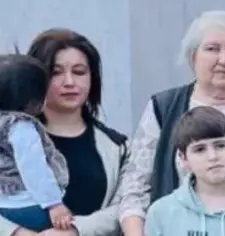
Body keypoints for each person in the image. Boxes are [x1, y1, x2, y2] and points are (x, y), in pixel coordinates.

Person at [117, 11, 225, 236]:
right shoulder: (164, 108)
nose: (224, 60)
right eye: (212, 49)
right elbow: (134, 191)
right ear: (193, 56)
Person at [0, 29, 130, 236]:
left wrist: (75, 230)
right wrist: (15, 232)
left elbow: (126, 206)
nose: (69, 82)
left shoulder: (117, 146)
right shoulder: (12, 135)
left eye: (79, 72)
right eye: (55, 72)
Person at [143, 107, 225, 236]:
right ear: (183, 158)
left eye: (220, 145)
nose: (213, 156)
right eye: (199, 149)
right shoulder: (161, 213)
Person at [0, 55, 71, 232]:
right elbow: (34, 168)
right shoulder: (21, 127)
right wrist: (54, 204)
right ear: (32, 101)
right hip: (27, 206)